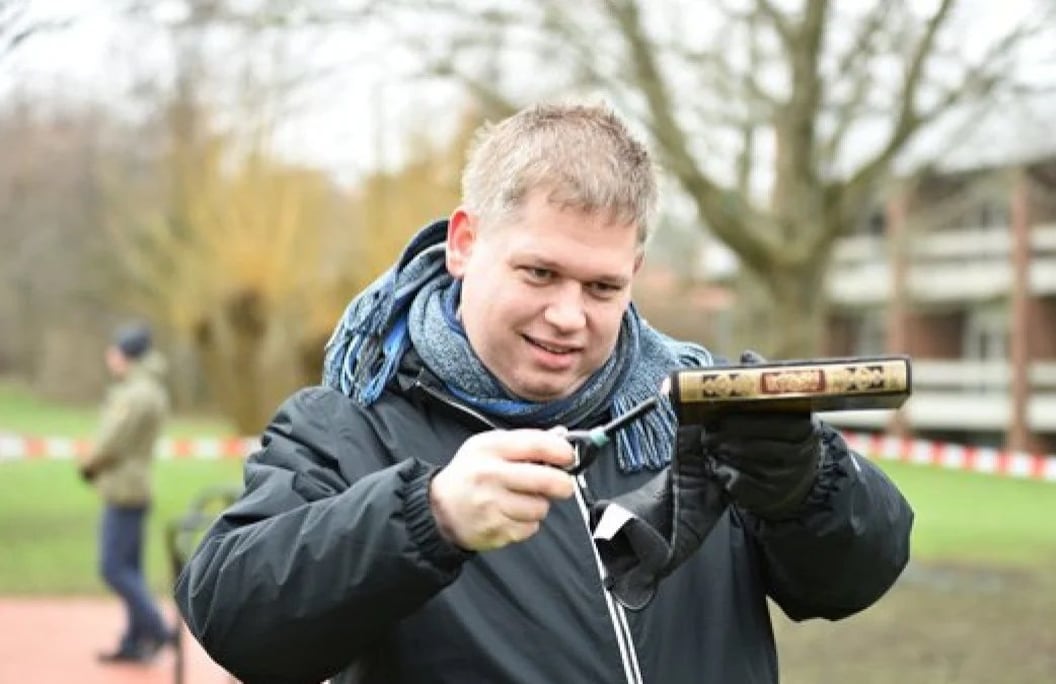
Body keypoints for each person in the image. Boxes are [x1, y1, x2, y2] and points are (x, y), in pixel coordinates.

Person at [174, 102, 914, 683]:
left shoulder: (702, 409)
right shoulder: (351, 422)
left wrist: (805, 484)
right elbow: (235, 620)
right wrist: (426, 519)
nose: (568, 317)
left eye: (602, 287)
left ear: (636, 270)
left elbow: (856, 578)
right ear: (464, 242)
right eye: (539, 273)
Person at [79, 322, 175, 664]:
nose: (110, 357)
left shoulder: (137, 393)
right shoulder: (146, 388)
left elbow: (113, 440)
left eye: (115, 351)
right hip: (135, 485)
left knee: (113, 567)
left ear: (127, 355)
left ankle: (159, 631)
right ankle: (136, 640)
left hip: (124, 488)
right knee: (130, 568)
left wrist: (89, 465)